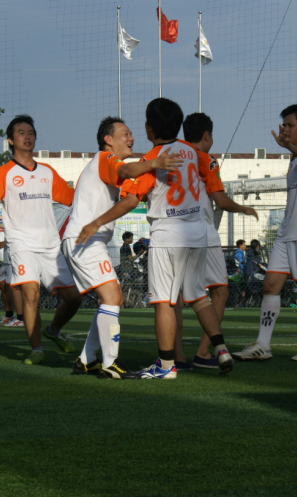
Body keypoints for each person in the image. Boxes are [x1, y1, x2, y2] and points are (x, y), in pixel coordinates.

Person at [80, 98, 234, 378]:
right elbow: (212, 182)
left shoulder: (150, 161)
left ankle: (165, 366)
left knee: (163, 301)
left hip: (168, 233)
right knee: (199, 296)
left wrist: (96, 222)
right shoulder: (197, 154)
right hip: (198, 234)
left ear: (150, 129)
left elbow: (128, 201)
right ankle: (221, 348)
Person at [63, 116, 181, 379]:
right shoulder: (106, 159)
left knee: (111, 299)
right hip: (85, 240)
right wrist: (154, 163)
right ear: (108, 140)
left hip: (88, 240)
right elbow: (127, 172)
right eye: (125, 134)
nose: (132, 138)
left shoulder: (103, 164)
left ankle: (86, 360)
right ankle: (110, 363)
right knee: (114, 298)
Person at [0, 114, 82, 365]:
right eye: (21, 133)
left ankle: (53, 331)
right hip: (21, 245)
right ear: (10, 141)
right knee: (30, 293)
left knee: (74, 298)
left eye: (31, 133)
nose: (27, 137)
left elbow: (73, 198)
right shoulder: (4, 172)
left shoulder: (47, 172)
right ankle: (36, 348)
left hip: (50, 246)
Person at [232, 104, 297, 362]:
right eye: (284, 124)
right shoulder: (293, 158)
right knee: (270, 285)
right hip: (286, 233)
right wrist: (290, 151)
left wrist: (290, 148)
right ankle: (263, 345)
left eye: (290, 125)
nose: (285, 129)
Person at [171, 112, 258, 371]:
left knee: (173, 296)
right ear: (207, 135)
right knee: (219, 291)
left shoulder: (170, 155)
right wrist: (243, 208)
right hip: (202, 235)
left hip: (171, 233)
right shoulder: (205, 159)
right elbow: (219, 200)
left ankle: (176, 357)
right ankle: (203, 351)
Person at [0, 229, 25, 328]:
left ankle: (21, 318)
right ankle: (9, 314)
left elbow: (24, 236)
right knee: (2, 285)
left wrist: (4, 242)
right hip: (6, 261)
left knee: (14, 287)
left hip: (15, 259)